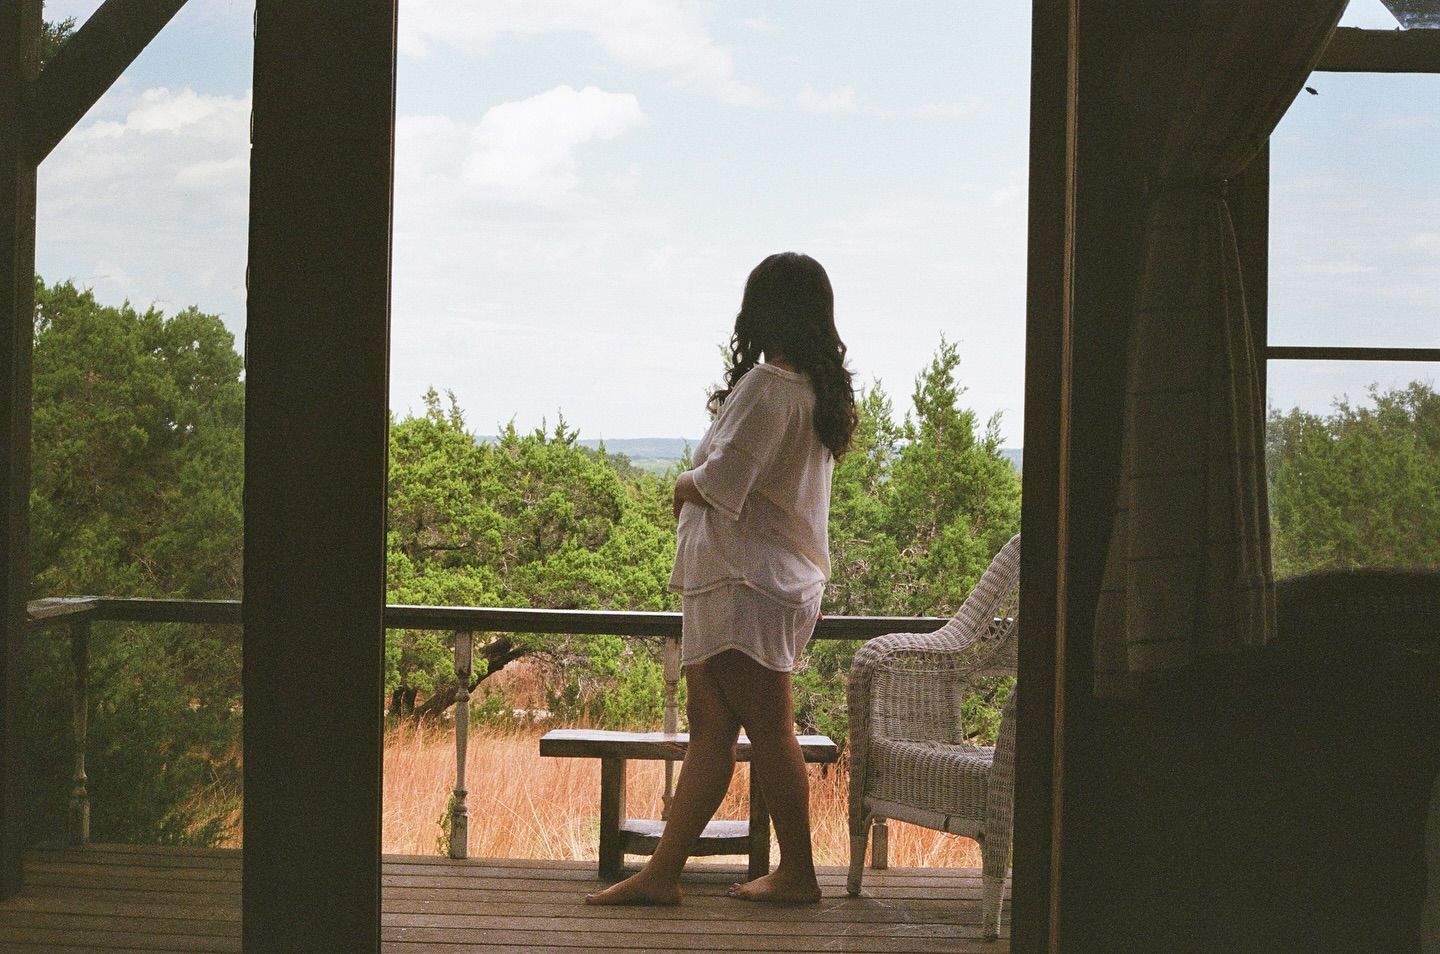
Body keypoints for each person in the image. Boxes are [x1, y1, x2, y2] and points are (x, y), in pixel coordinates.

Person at [586, 251, 857, 906]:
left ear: (764, 311)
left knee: (769, 728)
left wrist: (680, 484)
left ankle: (797, 874)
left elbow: (721, 483)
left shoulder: (770, 386)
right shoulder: (813, 392)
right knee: (715, 731)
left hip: (747, 585)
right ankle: (663, 874)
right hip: (757, 583)